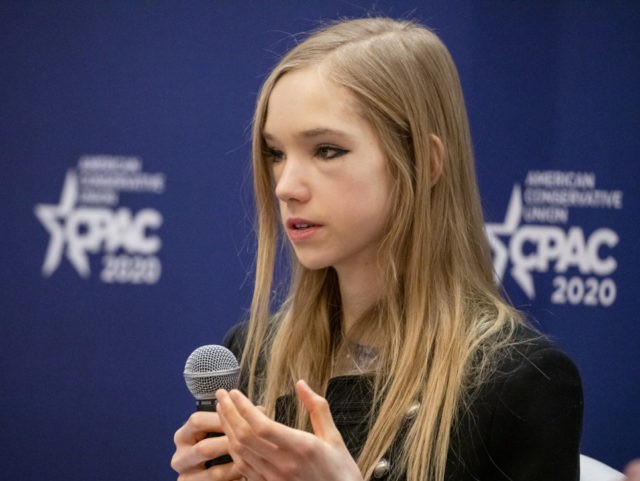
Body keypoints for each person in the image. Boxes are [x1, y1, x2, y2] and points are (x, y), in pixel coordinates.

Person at [171, 17, 583, 481]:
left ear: (424, 162)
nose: (286, 186)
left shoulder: (519, 383)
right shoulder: (250, 355)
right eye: (275, 153)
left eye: (326, 150)